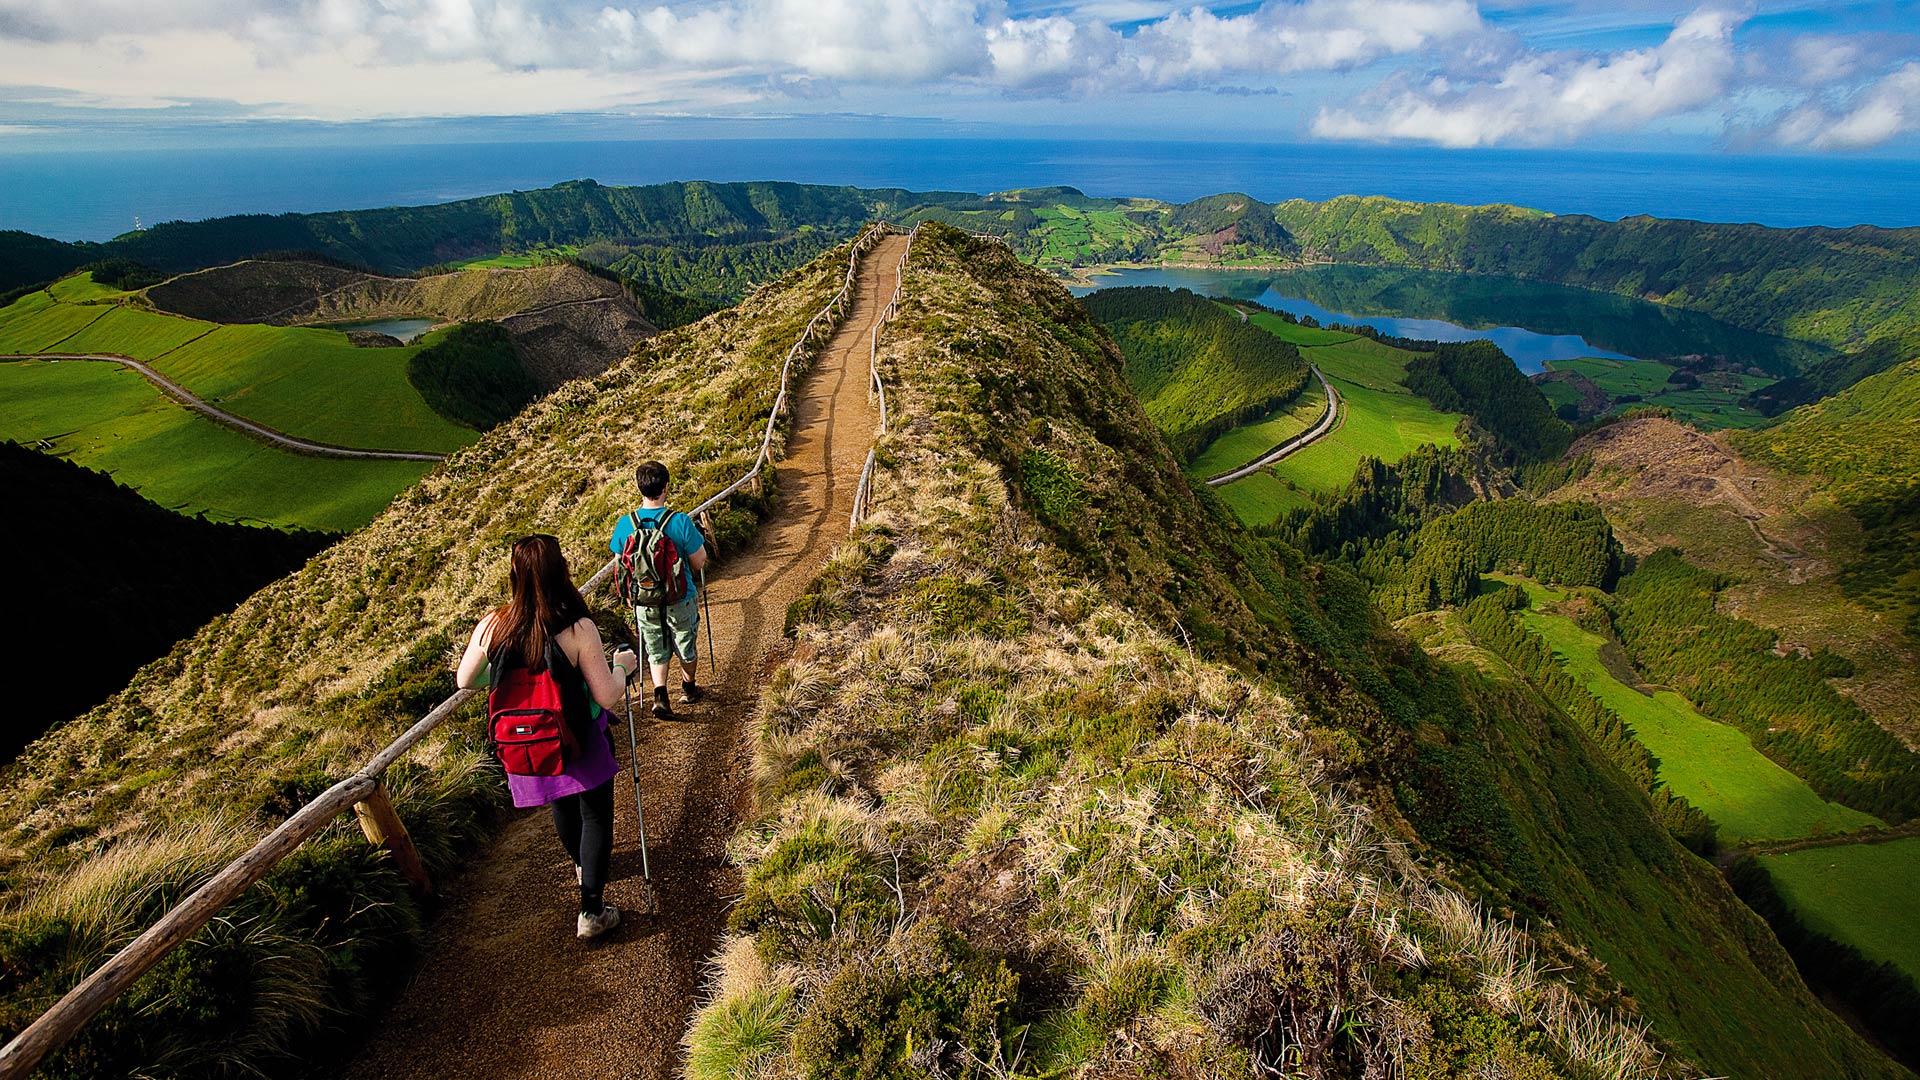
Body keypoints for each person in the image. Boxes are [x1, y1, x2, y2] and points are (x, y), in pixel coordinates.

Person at [456, 533, 638, 940]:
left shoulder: (492, 625)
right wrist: (623, 666)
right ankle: (591, 910)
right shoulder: (576, 627)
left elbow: (464, 679)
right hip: (579, 735)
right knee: (595, 815)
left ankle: (580, 868)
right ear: (561, 571)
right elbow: (607, 695)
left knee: (562, 804)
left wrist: (508, 679)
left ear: (514, 575)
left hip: (529, 740)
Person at [609, 460, 709, 719]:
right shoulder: (680, 522)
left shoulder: (625, 524)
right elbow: (699, 562)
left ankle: (660, 695)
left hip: (644, 600)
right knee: (685, 643)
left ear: (639, 488)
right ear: (666, 487)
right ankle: (688, 688)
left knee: (655, 647)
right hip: (680, 596)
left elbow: (620, 565)